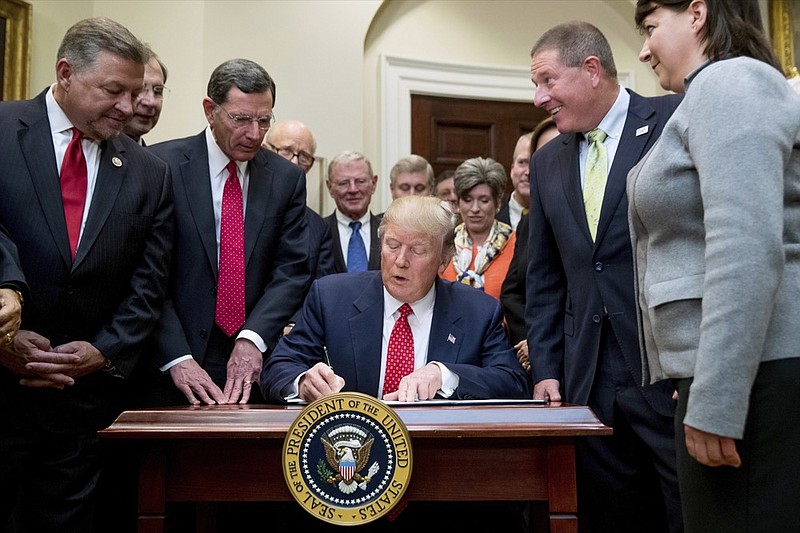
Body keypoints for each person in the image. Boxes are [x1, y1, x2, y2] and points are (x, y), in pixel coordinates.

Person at [630, 1, 800, 531]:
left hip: (758, 375)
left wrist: (718, 397)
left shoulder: (733, 83)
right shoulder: (705, 94)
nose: (643, 48)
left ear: (697, 13)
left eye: (651, 28)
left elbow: (745, 245)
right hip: (733, 369)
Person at [0, 17, 173, 532]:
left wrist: (105, 350)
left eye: (136, 92)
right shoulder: (4, 129)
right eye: (114, 91)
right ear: (65, 73)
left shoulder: (147, 172)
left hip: (84, 404)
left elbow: (150, 281)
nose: (129, 107)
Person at [526, 21, 683, 532]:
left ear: (591, 69)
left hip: (667, 371)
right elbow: (546, 279)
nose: (538, 98)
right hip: (587, 382)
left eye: (548, 81)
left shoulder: (671, 119)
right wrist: (547, 368)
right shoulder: (548, 161)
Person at [147, 58, 308, 406]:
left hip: (255, 358)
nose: (254, 133)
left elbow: (292, 270)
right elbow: (148, 276)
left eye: (264, 120)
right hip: (172, 358)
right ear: (210, 110)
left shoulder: (287, 179)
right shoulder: (161, 167)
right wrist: (176, 355)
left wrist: (253, 338)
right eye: (241, 119)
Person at [262, 195, 529, 404]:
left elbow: (513, 382)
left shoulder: (478, 311)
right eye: (392, 245)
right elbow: (278, 367)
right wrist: (302, 382)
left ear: (444, 260)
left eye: (418, 250)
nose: (401, 261)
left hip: (439, 450)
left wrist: (446, 376)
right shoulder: (332, 298)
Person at [500, 118, 559, 369]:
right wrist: (529, 337)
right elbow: (513, 290)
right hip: (529, 354)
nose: (529, 170)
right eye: (524, 162)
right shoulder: (528, 223)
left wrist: (541, 340)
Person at [264, 120, 335, 311]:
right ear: (265, 150)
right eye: (286, 151)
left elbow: (320, 294)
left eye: (304, 157)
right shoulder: (239, 208)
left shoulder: (319, 228)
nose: (295, 162)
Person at [440, 157, 516, 301]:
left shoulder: (515, 244)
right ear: (458, 203)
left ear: (497, 203)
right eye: (468, 200)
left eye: (484, 200)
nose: (475, 209)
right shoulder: (445, 242)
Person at [324, 151, 382, 273]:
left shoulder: (389, 231)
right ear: (330, 187)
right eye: (343, 183)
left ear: (374, 184)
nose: (353, 189)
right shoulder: (317, 231)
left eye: (360, 181)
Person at [123, 52, 168, 145]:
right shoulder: (91, 156)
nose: (151, 102)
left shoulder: (153, 158)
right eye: (140, 89)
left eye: (158, 91)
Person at [497, 133, 532, 231]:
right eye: (522, 163)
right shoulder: (491, 218)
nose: (528, 172)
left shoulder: (559, 220)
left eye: (535, 163)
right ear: (512, 169)